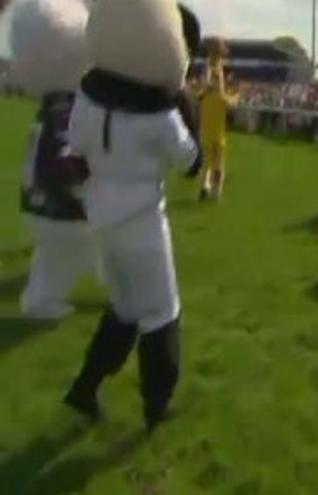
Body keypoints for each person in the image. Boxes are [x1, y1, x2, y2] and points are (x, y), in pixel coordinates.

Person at [63, 0, 202, 430]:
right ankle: (156, 406)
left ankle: (85, 387)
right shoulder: (158, 115)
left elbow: (76, 150)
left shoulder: (87, 95)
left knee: (125, 308)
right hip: (141, 219)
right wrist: (185, 103)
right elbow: (189, 161)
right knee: (162, 312)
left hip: (101, 216)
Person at [10, 0, 98, 320]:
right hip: (60, 205)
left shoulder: (50, 106)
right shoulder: (67, 109)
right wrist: (82, 183)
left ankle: (39, 301)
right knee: (96, 243)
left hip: (36, 201)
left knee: (51, 256)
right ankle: (127, 292)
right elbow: (61, 158)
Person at [198, 37, 238, 201]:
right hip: (217, 126)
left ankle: (204, 186)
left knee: (207, 159)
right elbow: (231, 103)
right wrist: (235, 95)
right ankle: (216, 192)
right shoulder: (213, 68)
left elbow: (205, 84)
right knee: (218, 161)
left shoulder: (204, 96)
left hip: (207, 124)